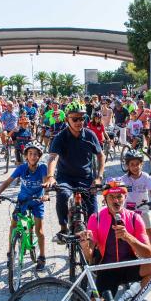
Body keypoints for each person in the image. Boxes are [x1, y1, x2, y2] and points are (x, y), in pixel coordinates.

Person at [76, 182, 151, 301]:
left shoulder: (135, 218)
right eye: (112, 197)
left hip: (130, 265)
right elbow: (90, 258)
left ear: (125, 197)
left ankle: (135, 299)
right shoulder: (96, 218)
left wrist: (128, 237)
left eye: (119, 196)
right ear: (105, 200)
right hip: (107, 268)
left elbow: (148, 254)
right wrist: (84, 245)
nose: (116, 201)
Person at [44, 101, 105, 242]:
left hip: (86, 179)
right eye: (75, 119)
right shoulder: (60, 137)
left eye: (82, 118)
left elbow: (101, 155)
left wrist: (99, 177)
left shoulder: (90, 135)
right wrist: (50, 177)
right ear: (67, 120)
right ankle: (63, 228)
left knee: (93, 219)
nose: (79, 122)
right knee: (63, 194)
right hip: (66, 178)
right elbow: (53, 157)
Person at [0, 142, 50, 271]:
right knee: (13, 225)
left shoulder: (42, 168)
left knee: (39, 231)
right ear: (26, 156)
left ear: (39, 156)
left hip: (37, 201)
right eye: (30, 154)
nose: (33, 157)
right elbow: (8, 181)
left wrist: (46, 195)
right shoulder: (21, 168)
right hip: (22, 200)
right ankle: (10, 253)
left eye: (35, 154)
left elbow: (46, 182)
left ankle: (42, 256)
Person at [120, 150, 151, 244]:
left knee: (149, 230)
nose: (135, 167)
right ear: (127, 166)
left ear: (142, 164)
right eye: (132, 164)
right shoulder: (124, 179)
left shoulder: (145, 177)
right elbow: (118, 190)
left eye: (137, 164)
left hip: (143, 209)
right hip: (129, 211)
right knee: (128, 233)